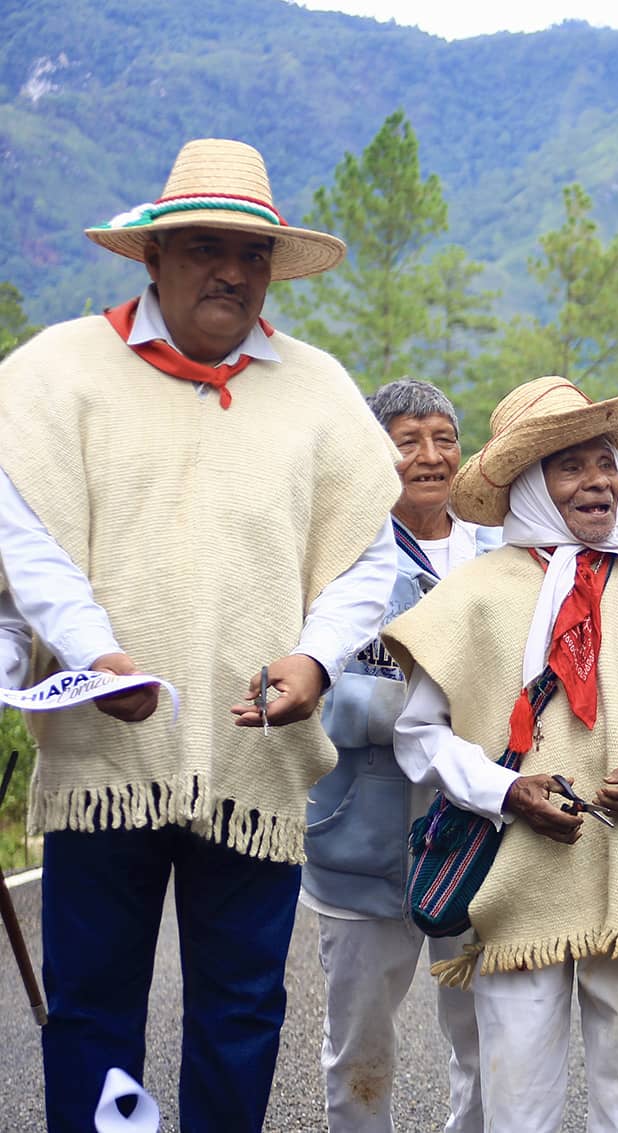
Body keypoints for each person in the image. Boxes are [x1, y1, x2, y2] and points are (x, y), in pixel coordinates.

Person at [0, 138, 400, 1131]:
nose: (233, 270)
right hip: (105, 753)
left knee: (241, 1009)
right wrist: (95, 655)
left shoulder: (321, 395)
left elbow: (366, 559)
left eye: (252, 253)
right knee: (93, 1007)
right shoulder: (54, 374)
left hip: (253, 756)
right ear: (153, 254)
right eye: (207, 246)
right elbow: (26, 540)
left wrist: (314, 659)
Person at [381, 376, 618, 1133]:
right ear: (530, 485)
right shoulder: (476, 594)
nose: (598, 480)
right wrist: (503, 790)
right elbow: (419, 735)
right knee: (520, 1098)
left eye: (604, 459)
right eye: (570, 465)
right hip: (519, 886)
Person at [303, 379, 500, 1132]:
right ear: (375, 455)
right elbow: (332, 697)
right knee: (360, 1049)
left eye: (443, 437)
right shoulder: (341, 555)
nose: (429, 455)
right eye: (407, 440)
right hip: (360, 840)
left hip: (478, 839)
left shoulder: (499, 549)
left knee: (486, 1035)